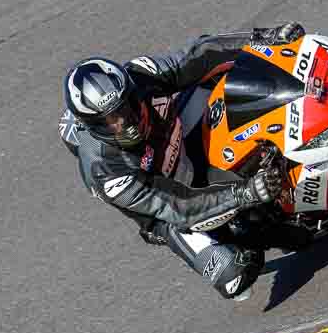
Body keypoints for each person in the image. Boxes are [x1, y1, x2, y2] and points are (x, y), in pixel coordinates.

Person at [59, 23, 305, 301]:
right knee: (236, 276)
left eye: (127, 107)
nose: (126, 123)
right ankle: (244, 230)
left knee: (228, 75)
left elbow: (199, 55)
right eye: (111, 121)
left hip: (174, 136)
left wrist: (262, 38)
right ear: (94, 127)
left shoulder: (140, 74)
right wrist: (247, 193)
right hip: (168, 204)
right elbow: (180, 206)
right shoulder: (105, 171)